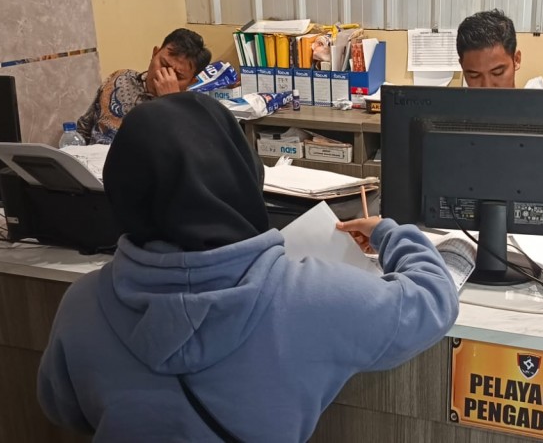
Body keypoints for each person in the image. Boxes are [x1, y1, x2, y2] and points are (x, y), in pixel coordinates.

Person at [37, 92, 460, 441]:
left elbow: (63, 409)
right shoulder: (315, 296)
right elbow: (434, 299)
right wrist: (388, 233)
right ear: (241, 171)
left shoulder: (82, 304)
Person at [75, 28, 212, 145]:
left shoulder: (192, 113)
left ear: (192, 81)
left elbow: (182, 154)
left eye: (178, 76)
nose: (164, 76)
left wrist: (170, 101)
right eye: (163, 64)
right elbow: (84, 128)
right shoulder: (120, 79)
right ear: (155, 53)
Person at [456, 9, 543, 89]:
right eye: (474, 75)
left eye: (497, 72)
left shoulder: (541, 102)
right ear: (462, 66)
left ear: (516, 60)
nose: (487, 86)